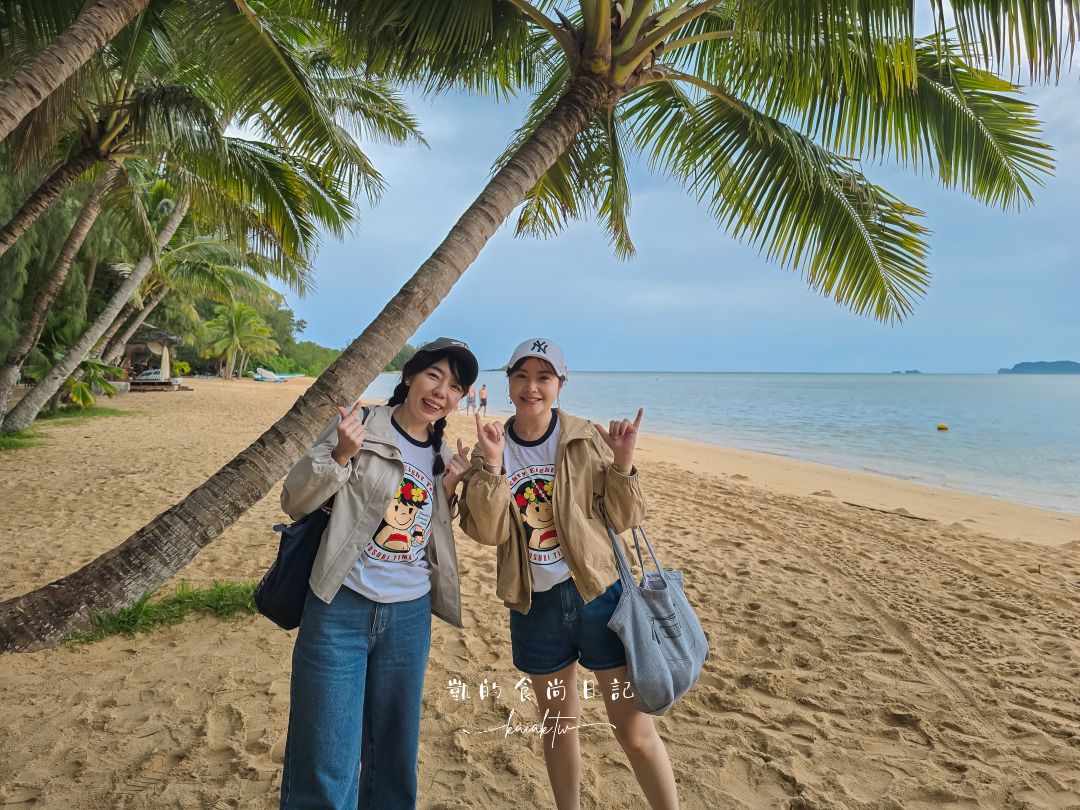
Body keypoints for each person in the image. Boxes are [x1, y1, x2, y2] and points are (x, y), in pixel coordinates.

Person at [459, 338, 678, 810]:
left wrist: (622, 461)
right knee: (559, 725)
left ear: (560, 384)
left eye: (544, 377)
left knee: (633, 730)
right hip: (533, 606)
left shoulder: (583, 438)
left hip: (600, 598)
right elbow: (489, 530)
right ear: (509, 382)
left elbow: (625, 518)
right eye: (522, 376)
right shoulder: (490, 447)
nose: (531, 387)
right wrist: (493, 464)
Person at [278, 337, 478, 810]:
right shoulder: (361, 426)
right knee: (325, 753)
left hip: (409, 617)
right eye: (434, 375)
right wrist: (342, 455)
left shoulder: (443, 456)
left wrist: (449, 485)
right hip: (339, 606)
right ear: (409, 376)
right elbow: (294, 500)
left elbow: (427, 534)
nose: (440, 392)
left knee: (393, 754)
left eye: (454, 386)